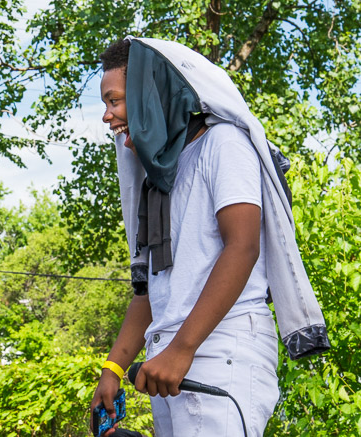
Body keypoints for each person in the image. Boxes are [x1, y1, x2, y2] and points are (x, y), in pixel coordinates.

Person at [90, 37, 328, 436]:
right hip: (172, 357)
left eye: (114, 101)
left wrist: (182, 349)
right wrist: (112, 369)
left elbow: (243, 247)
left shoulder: (224, 144)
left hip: (220, 349)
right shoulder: (160, 175)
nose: (107, 116)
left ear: (150, 94)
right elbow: (152, 287)